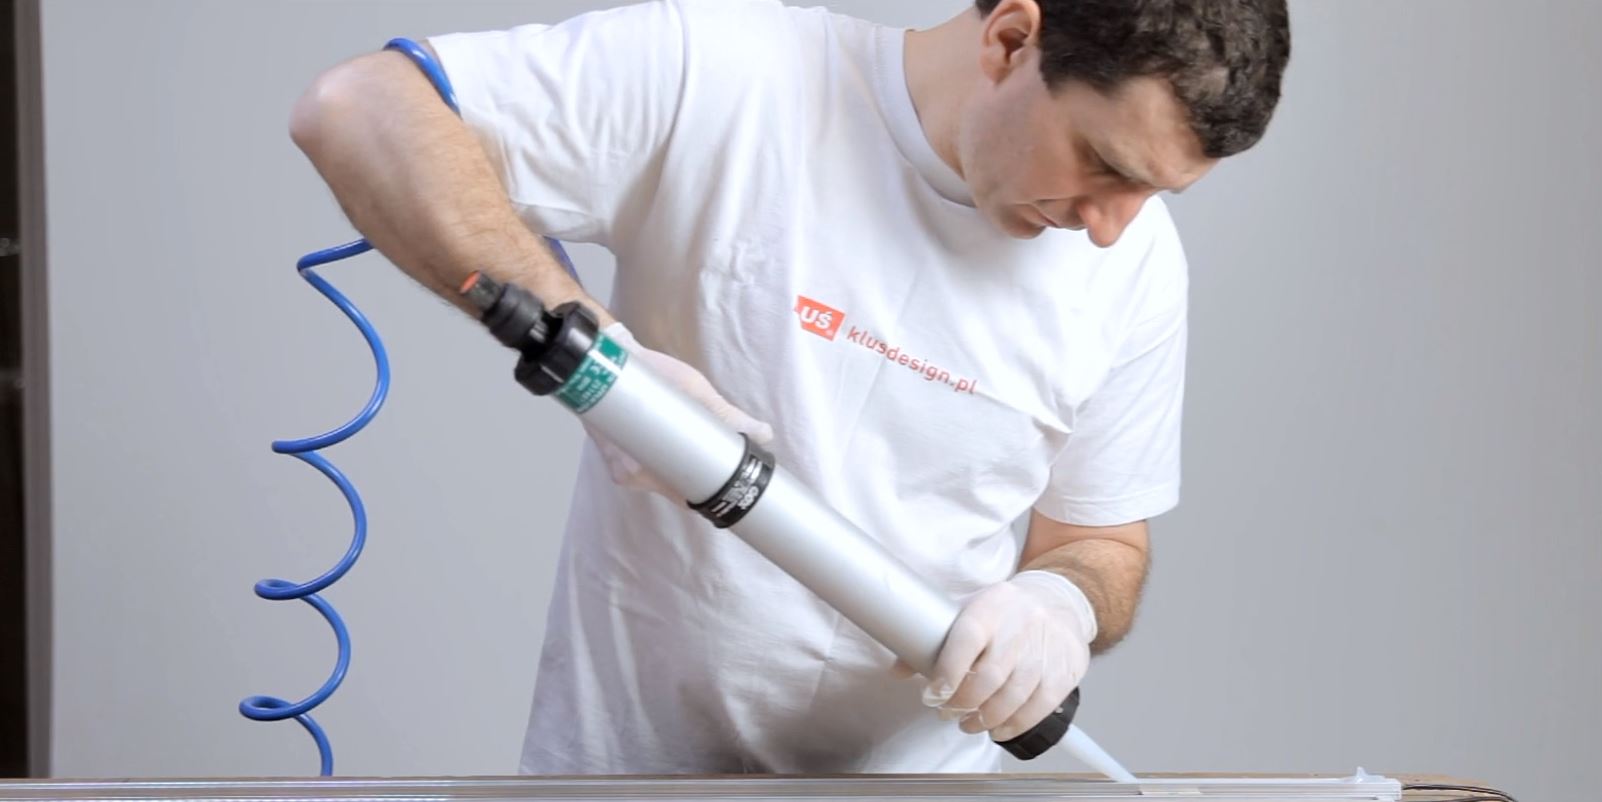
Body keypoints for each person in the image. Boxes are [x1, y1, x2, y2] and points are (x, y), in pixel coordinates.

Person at [289, 0, 1290, 775]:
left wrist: (1059, 602)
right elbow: (359, 107)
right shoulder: (729, 73)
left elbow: (1102, 541)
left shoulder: (1137, 270)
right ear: (1009, 39)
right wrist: (600, 357)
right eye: (1101, 164)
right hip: (624, 778)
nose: (1110, 227)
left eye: (1152, 193)